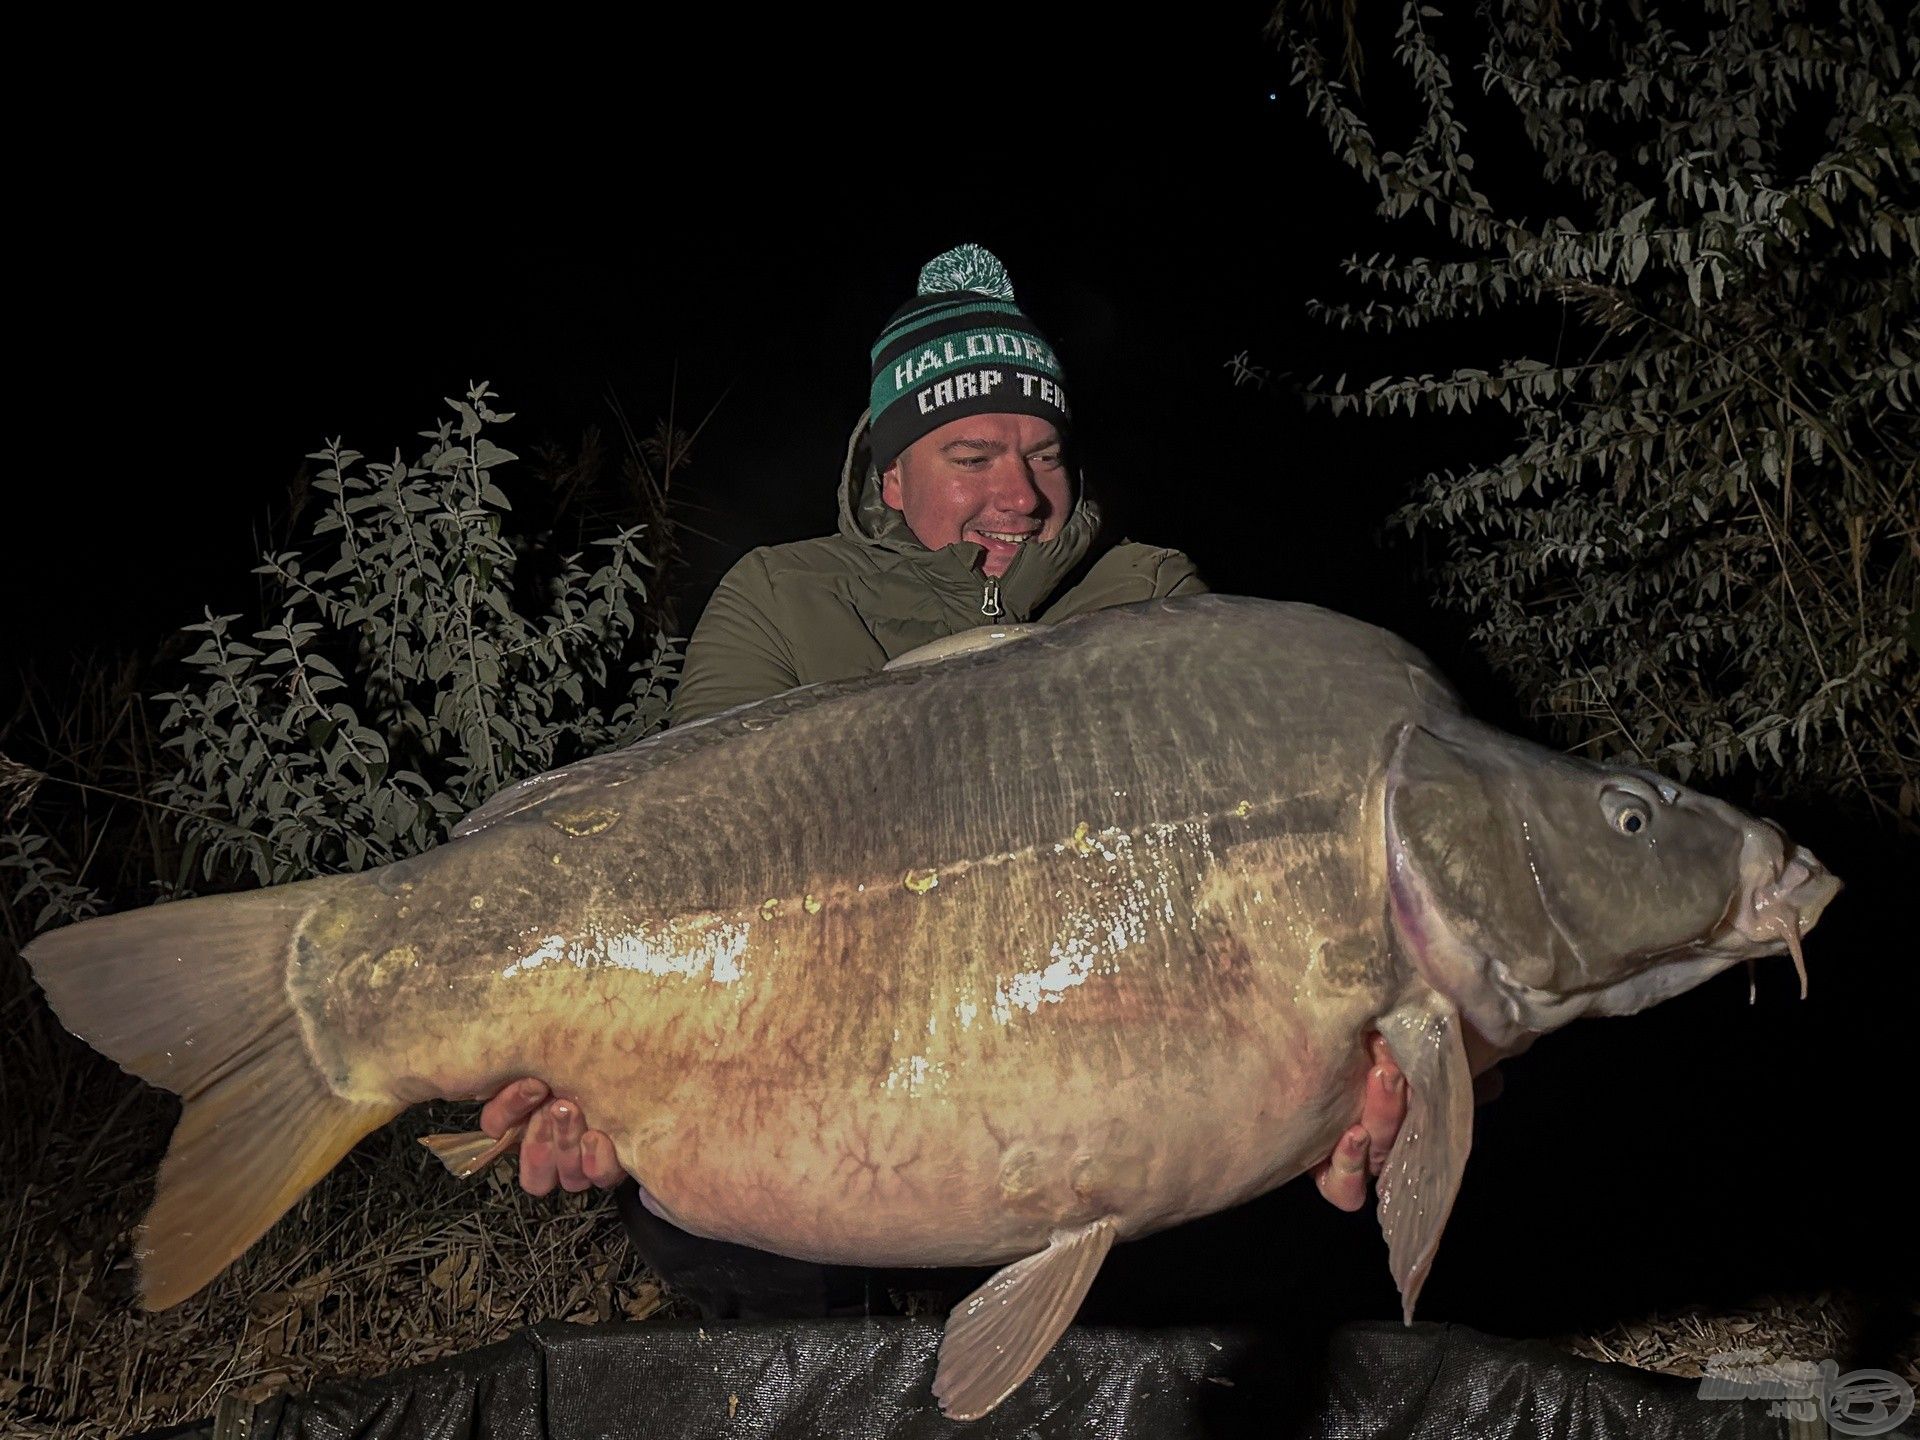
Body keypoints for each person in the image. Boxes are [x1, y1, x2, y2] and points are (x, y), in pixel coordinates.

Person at [476, 244, 1411, 1316]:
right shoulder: (783, 599)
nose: (1020, 494)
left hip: (1091, 1101)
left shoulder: (1151, 600)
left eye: (1045, 454)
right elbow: (679, 864)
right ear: (889, 475)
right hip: (812, 1075)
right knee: (701, 1206)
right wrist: (591, 1064)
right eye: (971, 456)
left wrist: (1328, 1077)